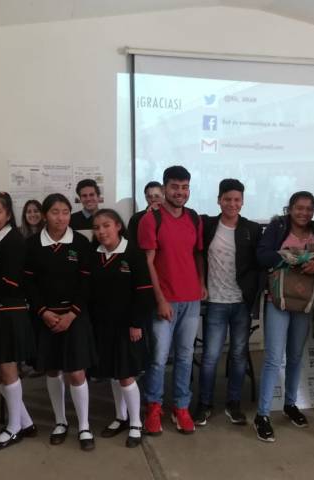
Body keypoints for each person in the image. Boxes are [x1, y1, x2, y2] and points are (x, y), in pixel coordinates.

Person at [253, 191, 314, 442]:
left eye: (309, 209)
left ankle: (290, 404)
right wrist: (286, 256)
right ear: (290, 208)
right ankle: (262, 415)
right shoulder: (277, 227)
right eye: (299, 208)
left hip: (305, 301)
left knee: (295, 356)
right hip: (278, 300)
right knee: (274, 358)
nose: (304, 213)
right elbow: (261, 256)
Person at [25, 193, 97, 451]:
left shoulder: (80, 242)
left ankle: (84, 425)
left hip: (74, 317)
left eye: (65, 212)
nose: (61, 217)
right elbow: (29, 283)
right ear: (45, 215)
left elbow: (87, 283)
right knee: (53, 370)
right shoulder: (32, 244)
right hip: (45, 317)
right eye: (55, 212)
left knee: (76, 371)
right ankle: (60, 421)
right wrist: (43, 312)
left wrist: (72, 314)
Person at [138, 165, 205, 435]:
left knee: (186, 357)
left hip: (191, 300)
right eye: (175, 187)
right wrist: (160, 300)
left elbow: (198, 254)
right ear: (165, 188)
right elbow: (148, 262)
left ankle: (181, 406)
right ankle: (153, 407)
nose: (180, 192)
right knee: (158, 358)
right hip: (164, 301)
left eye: (185, 187)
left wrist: (201, 284)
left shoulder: (194, 218)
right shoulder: (151, 219)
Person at [194, 179, 262, 429]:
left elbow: (259, 263)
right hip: (215, 302)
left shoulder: (252, 229)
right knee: (211, 356)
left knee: (238, 354)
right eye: (227, 199)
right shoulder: (208, 225)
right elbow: (198, 254)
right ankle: (205, 404)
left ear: (242, 202)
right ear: (219, 200)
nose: (232, 204)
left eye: (237, 200)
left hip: (241, 303)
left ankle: (234, 403)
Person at [88, 209, 154, 448]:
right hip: (103, 326)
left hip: (127, 326)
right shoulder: (94, 254)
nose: (101, 231)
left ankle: (136, 423)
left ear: (118, 226)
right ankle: (121, 416)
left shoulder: (133, 253)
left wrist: (136, 323)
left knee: (126, 375)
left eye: (106, 225)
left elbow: (144, 292)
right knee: (113, 374)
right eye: (97, 227)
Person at [0, 192, 37, 450]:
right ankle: (25, 420)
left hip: (9, 312)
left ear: (8, 214)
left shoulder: (13, 240)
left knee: (7, 368)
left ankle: (14, 428)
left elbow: (10, 283)